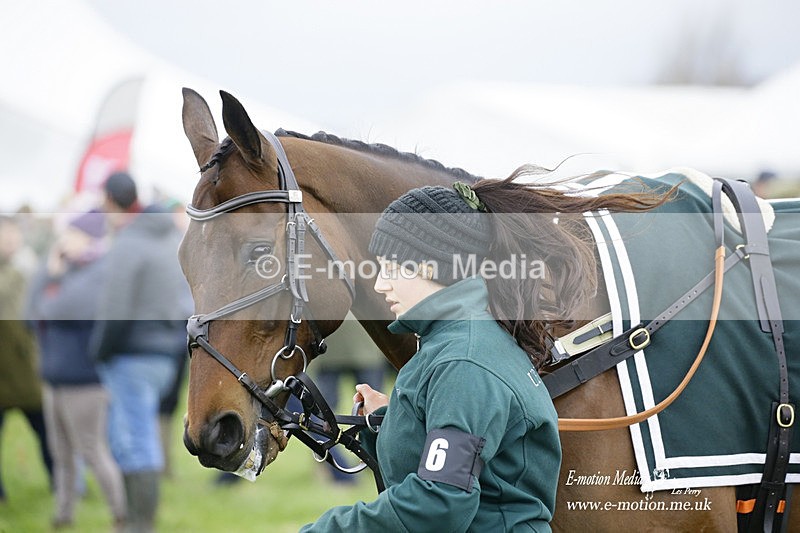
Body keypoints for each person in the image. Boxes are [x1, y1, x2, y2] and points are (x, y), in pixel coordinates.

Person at [303, 174, 674, 531]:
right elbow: (457, 458)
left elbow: (438, 504)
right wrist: (389, 420)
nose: (380, 284)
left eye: (391, 268)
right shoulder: (460, 342)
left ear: (432, 266)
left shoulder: (463, 362)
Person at [90, 172, 191, 533]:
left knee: (133, 440)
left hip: (132, 354)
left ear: (112, 201)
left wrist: (98, 350)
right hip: (165, 353)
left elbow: (114, 308)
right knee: (132, 436)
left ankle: (138, 525)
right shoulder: (168, 237)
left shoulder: (130, 241)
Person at [27, 211, 126, 530]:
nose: (63, 240)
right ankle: (63, 514)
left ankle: (120, 514)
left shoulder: (101, 270)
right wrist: (51, 272)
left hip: (85, 381)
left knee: (92, 451)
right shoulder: (65, 267)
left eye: (71, 234)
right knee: (61, 454)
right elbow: (30, 312)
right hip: (54, 377)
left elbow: (58, 308)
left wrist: (53, 279)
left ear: (89, 237)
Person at [0, 215, 54, 502]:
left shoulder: (25, 269)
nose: (10, 242)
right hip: (9, 370)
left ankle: (60, 483)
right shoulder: (20, 272)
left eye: (13, 236)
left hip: (26, 372)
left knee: (47, 432)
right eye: (5, 236)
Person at [310, 315, 390, 484]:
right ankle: (377, 464)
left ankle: (337, 467)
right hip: (360, 349)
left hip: (337, 351)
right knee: (377, 413)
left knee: (320, 417)